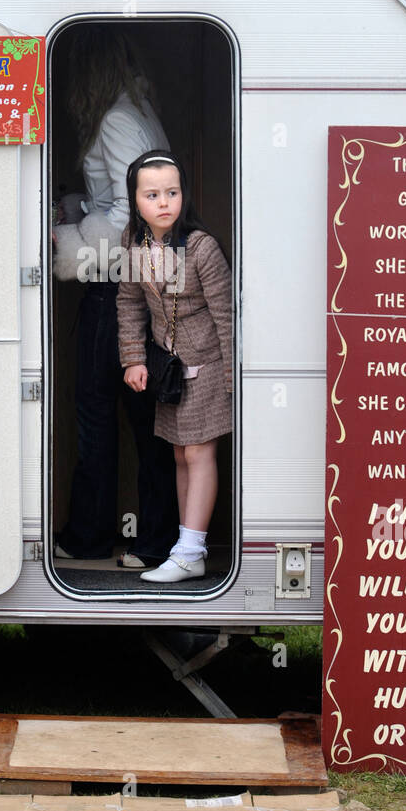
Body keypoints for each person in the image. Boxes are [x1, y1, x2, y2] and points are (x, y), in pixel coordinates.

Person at [52, 28, 179, 567]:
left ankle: (94, 537)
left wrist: (69, 244)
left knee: (99, 418)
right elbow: (119, 199)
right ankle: (150, 540)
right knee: (142, 421)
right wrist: (81, 207)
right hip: (141, 286)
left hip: (116, 288)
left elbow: (134, 214)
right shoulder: (140, 110)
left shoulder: (115, 118)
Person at [117, 150, 232, 582]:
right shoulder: (135, 244)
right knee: (181, 455)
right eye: (152, 194)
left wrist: (230, 380)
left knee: (200, 453)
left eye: (172, 192)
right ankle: (189, 550)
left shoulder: (202, 247)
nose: (164, 202)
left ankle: (189, 551)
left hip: (208, 365)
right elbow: (128, 304)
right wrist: (132, 359)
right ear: (136, 201)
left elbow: (226, 314)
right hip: (169, 372)